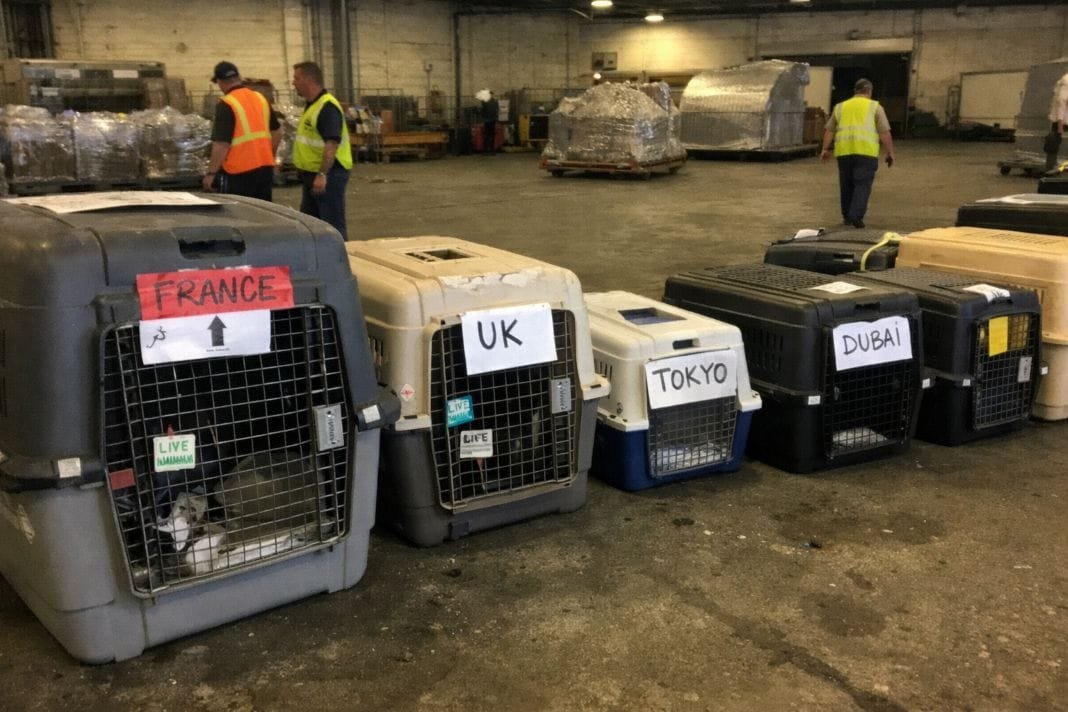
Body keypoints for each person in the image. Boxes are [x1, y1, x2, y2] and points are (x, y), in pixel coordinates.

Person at [821, 78, 895, 229]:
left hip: (844, 153)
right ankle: (856, 215)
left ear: (855, 91)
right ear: (869, 91)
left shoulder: (840, 107)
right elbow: (884, 133)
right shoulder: (875, 107)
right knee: (862, 185)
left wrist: (825, 149)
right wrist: (890, 152)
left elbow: (829, 130)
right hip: (865, 153)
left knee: (846, 184)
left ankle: (847, 216)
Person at [202, 61, 281, 201]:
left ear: (220, 82)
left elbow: (221, 145)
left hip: (238, 173)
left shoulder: (227, 104)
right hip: (265, 169)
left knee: (238, 216)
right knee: (264, 213)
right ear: (238, 78)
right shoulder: (260, 98)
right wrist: (270, 155)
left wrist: (211, 173)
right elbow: (276, 132)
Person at [291, 60, 353, 238]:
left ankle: (342, 260)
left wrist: (322, 175)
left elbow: (331, 144)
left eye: (296, 78)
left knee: (331, 225)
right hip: (312, 174)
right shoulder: (312, 105)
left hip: (328, 174)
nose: (293, 83)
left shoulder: (327, 107)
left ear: (308, 80)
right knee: (311, 224)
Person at [1045, 71, 1068, 171]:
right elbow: (1061, 101)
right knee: (1053, 142)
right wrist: (1060, 123)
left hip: (1061, 118)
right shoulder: (1066, 81)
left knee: (1053, 142)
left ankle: (1050, 168)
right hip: (1063, 119)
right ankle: (1050, 169)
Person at [480, 90, 499, 154]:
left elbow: (482, 110)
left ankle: (486, 150)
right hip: (493, 120)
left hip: (487, 120)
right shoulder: (495, 102)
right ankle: (492, 150)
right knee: (492, 135)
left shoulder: (484, 101)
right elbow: (497, 111)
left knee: (486, 135)